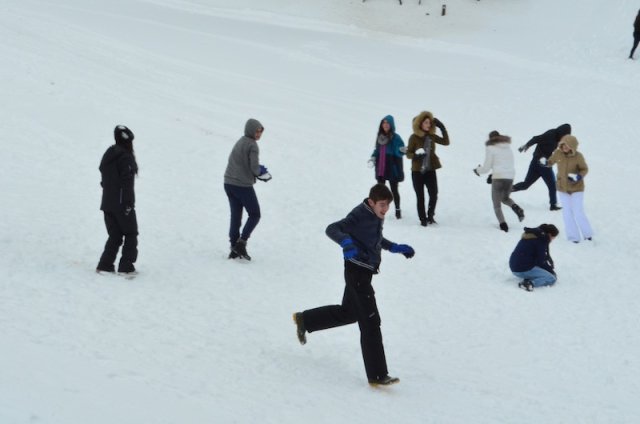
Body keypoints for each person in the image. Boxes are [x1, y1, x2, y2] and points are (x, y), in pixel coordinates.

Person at [292, 184, 415, 386]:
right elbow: (332, 229)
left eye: (388, 205)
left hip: (364, 271)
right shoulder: (359, 214)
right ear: (371, 201)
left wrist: (393, 247)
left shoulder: (374, 215)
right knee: (370, 322)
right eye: (382, 205)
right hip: (356, 271)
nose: (385, 209)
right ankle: (377, 375)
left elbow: (373, 238)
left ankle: (305, 320)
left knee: (349, 313)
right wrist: (345, 243)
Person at [223, 118, 272, 261]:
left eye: (260, 132)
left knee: (236, 217)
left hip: (228, 183)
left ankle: (234, 247)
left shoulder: (240, 141)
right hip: (242, 186)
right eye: (257, 131)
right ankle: (241, 243)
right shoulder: (252, 145)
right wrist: (262, 173)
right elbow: (254, 168)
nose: (258, 135)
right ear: (250, 130)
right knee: (255, 214)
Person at [96, 125, 139, 276]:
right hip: (121, 204)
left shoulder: (109, 155)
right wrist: (128, 204)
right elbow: (126, 184)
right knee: (131, 233)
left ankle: (105, 265)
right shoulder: (125, 157)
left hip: (107, 203)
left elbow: (105, 180)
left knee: (115, 235)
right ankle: (126, 267)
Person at [473, 131, 524, 232]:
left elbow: (487, 167)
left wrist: (477, 170)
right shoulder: (508, 148)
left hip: (498, 178)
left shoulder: (490, 148)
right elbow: (505, 165)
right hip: (510, 177)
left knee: (496, 204)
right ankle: (515, 207)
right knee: (505, 198)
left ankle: (503, 224)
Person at [512, 124, 571, 211]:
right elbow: (536, 138)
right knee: (552, 185)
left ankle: (506, 190)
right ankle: (553, 205)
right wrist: (527, 145)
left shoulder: (559, 138)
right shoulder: (550, 134)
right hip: (542, 164)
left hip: (537, 162)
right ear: (562, 133)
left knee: (526, 184)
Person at [406, 111, 450, 226]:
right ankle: (423, 219)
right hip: (417, 171)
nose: (429, 125)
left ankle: (430, 216)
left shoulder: (431, 136)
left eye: (430, 123)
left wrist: (442, 127)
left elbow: (446, 142)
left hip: (430, 170)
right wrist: (415, 155)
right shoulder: (413, 137)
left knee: (434, 194)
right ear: (420, 123)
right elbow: (408, 154)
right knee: (420, 197)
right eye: (426, 122)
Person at [547, 135, 593, 243]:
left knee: (578, 212)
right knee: (567, 213)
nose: (564, 147)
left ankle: (587, 234)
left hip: (577, 188)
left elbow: (584, 169)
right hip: (562, 188)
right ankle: (573, 237)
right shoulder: (558, 153)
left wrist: (578, 176)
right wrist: (546, 162)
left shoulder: (578, 156)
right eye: (563, 145)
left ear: (572, 147)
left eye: (567, 146)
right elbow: (550, 162)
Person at [369, 115, 405, 219]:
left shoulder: (396, 137)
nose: (385, 124)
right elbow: (377, 150)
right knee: (380, 192)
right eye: (384, 122)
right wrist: (373, 157)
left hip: (392, 167)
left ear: (391, 125)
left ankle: (398, 210)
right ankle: (378, 211)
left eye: (387, 123)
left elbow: (399, 151)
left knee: (394, 190)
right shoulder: (380, 136)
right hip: (381, 168)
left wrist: (401, 150)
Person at [509, 224, 559, 292]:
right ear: (550, 234)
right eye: (553, 238)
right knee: (551, 278)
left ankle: (529, 278)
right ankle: (528, 284)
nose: (552, 240)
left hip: (514, 266)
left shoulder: (533, 235)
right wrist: (551, 271)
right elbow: (541, 261)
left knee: (542, 270)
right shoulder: (541, 240)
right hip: (522, 269)